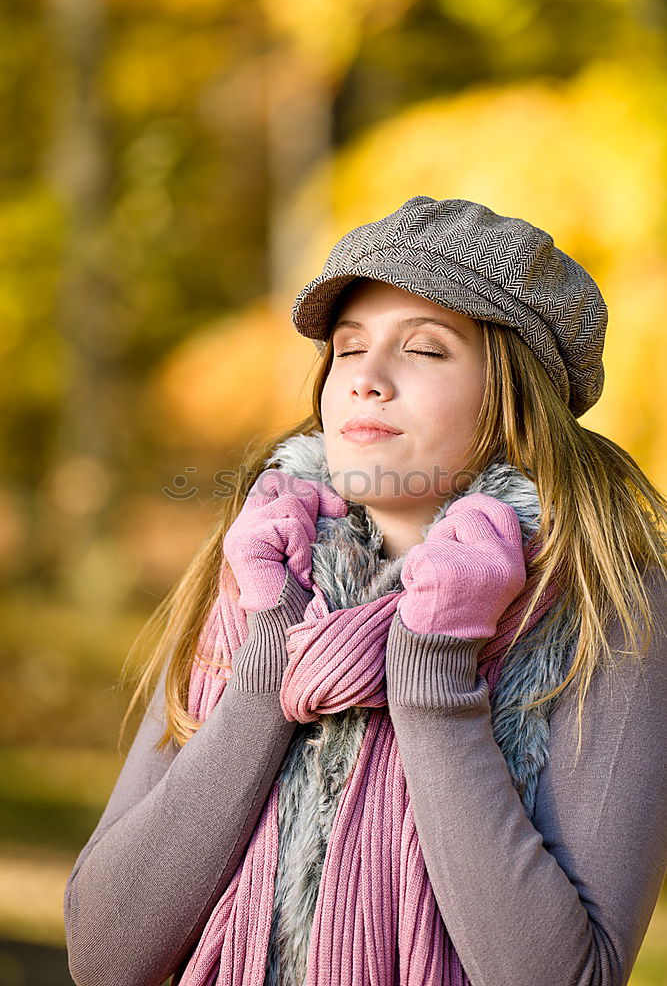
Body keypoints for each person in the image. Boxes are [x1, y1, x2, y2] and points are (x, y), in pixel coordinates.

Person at [63, 196, 667, 986]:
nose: (367, 381)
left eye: (424, 350)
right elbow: (103, 957)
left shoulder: (607, 606)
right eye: (347, 350)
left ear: (518, 399)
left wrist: (433, 676)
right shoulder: (255, 578)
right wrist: (264, 675)